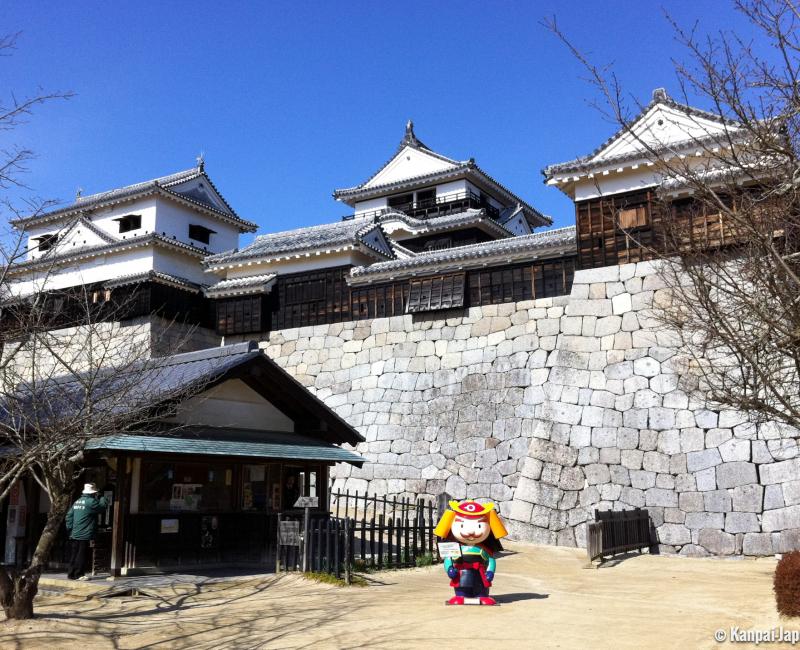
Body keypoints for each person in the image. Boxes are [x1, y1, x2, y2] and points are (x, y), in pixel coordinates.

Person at [65, 483, 109, 580]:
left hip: (74, 533)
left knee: (74, 554)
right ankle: (79, 574)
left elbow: (68, 516)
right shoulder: (91, 502)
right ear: (93, 493)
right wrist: (101, 497)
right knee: (82, 554)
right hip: (84, 533)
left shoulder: (77, 502)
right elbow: (103, 507)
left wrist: (70, 529)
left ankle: (71, 574)